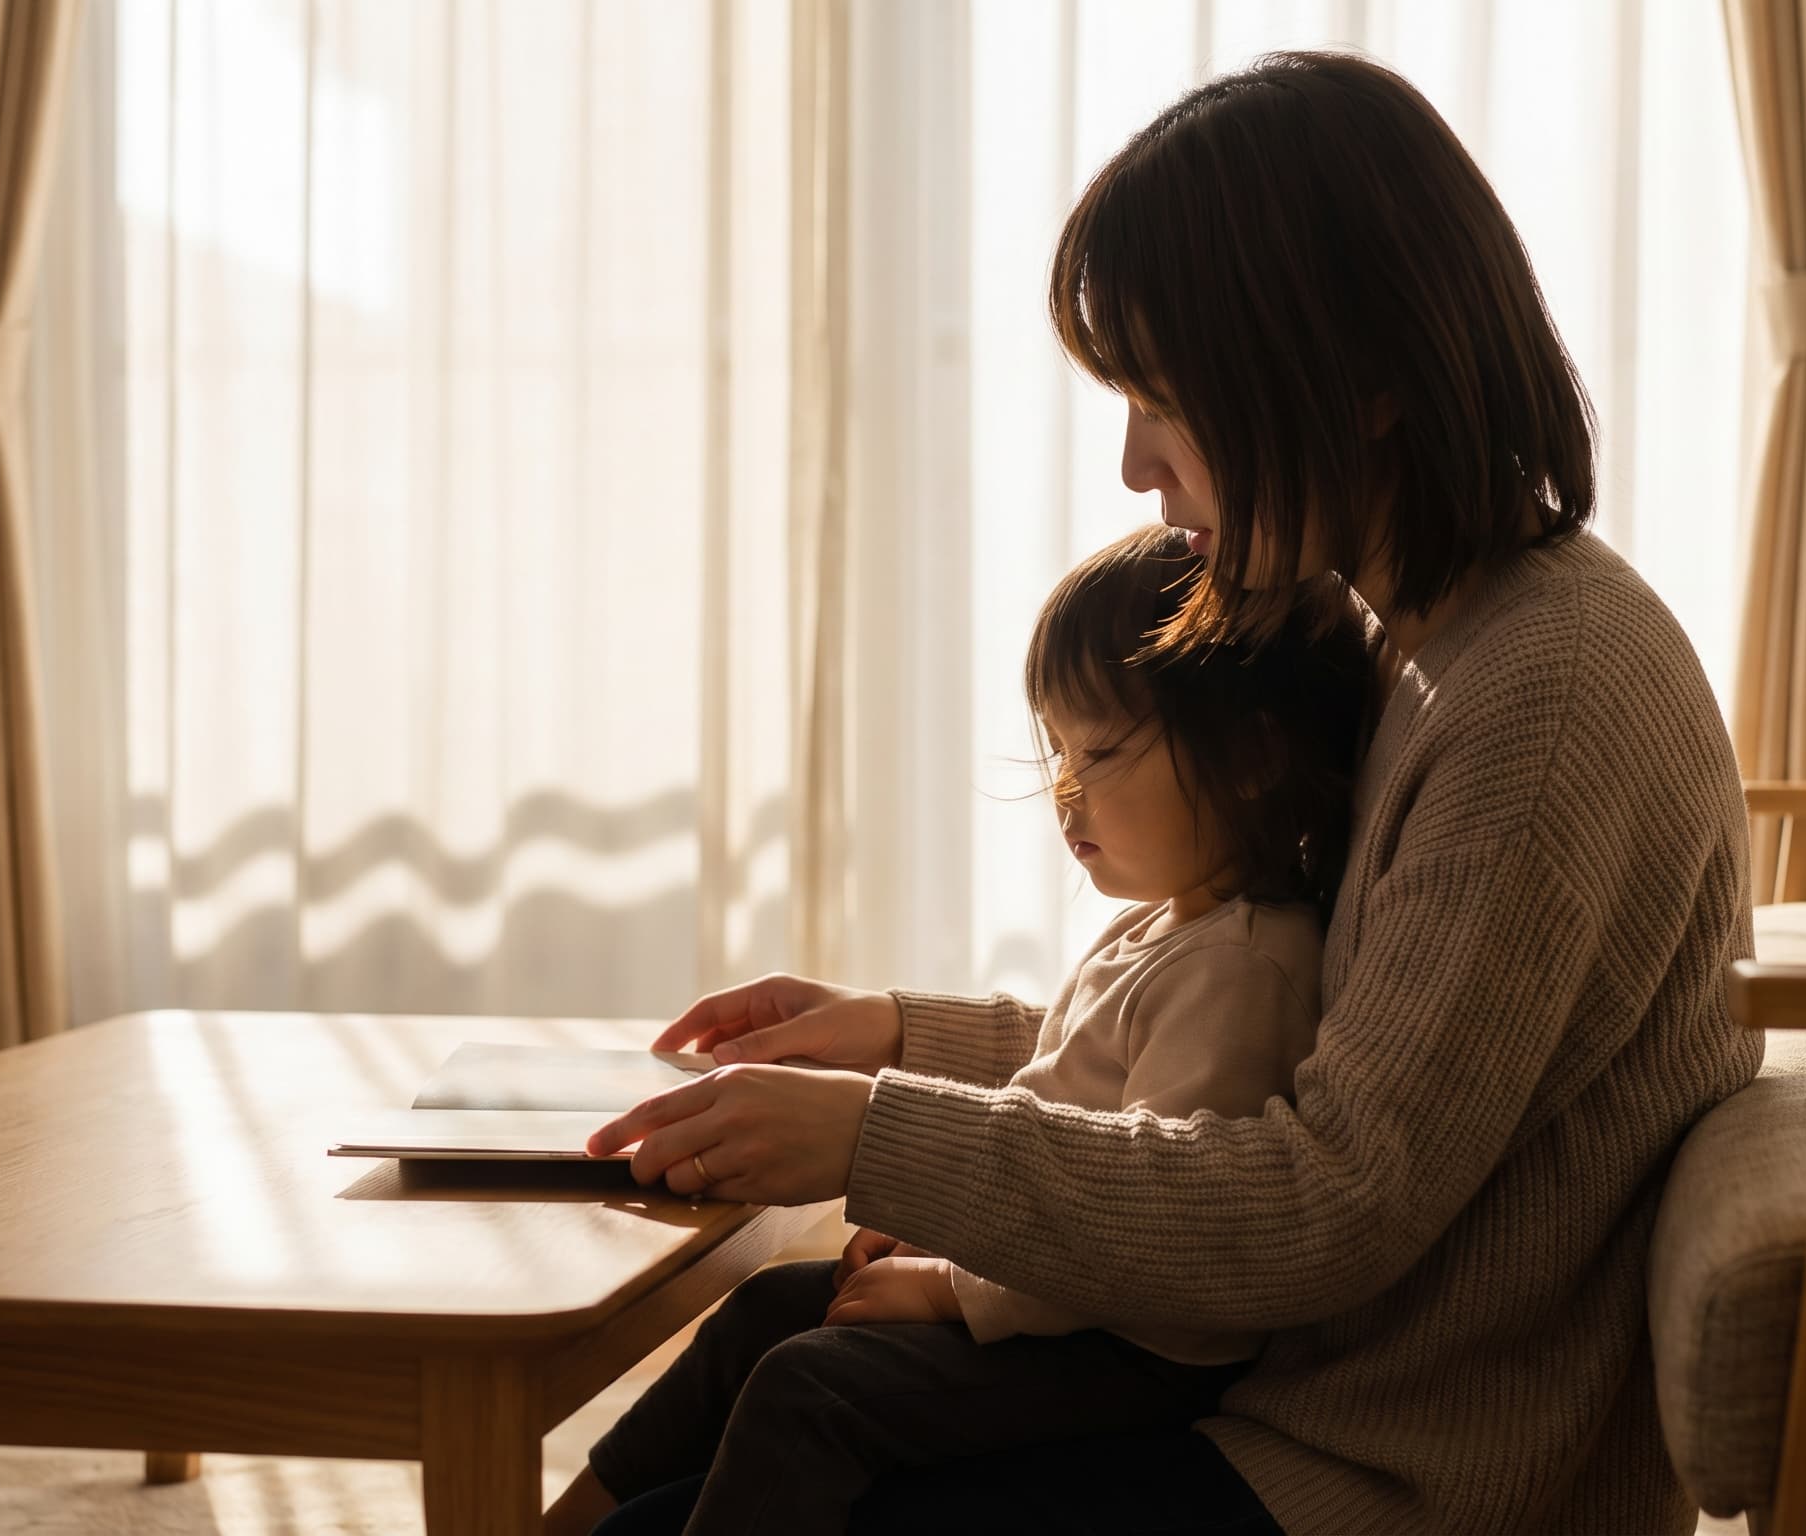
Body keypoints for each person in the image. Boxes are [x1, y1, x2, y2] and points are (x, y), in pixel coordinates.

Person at [581, 50, 1761, 1535]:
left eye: (1166, 397)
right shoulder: (1426, 640)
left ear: (1364, 380)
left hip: (1373, 1480)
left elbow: (1320, 1203)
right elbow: (1247, 1036)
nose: (1139, 463)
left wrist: (878, 1134)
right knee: (707, 1456)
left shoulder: (1539, 697)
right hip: (1275, 1407)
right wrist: (901, 1037)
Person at [547, 525, 1371, 1536]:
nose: (1065, 791)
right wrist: (940, 1222)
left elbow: (1154, 1234)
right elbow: (1062, 1104)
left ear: (1250, 757)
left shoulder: (1243, 968)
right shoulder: (1166, 927)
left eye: (1101, 752)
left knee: (813, 1390)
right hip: (1052, 1293)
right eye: (1059, 751)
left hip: (1129, 1354)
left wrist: (950, 1285)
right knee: (764, 1312)